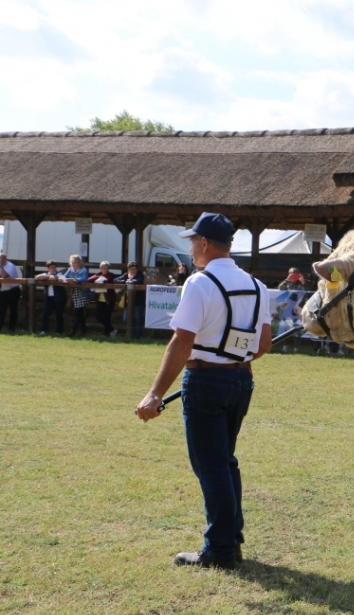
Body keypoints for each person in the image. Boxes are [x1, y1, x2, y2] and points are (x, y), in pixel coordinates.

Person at [136, 212, 271, 570]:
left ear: (206, 244)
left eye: (193, 241)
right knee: (226, 462)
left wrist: (154, 393)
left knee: (211, 466)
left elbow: (182, 341)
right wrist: (233, 355)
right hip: (241, 381)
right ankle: (232, 539)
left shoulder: (199, 283)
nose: (191, 247)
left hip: (205, 381)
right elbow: (264, 343)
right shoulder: (257, 286)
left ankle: (220, 549)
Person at [115, 261, 146, 339]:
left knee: (139, 318)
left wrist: (131, 282)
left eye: (135, 269)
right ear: (128, 269)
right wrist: (125, 281)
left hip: (138, 301)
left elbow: (138, 280)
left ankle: (137, 336)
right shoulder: (126, 275)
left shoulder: (140, 275)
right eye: (131, 269)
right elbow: (116, 280)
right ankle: (130, 334)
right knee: (126, 318)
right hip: (128, 301)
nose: (133, 270)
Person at [36, 260, 67, 335]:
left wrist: (50, 277)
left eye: (54, 267)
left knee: (59, 315)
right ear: (48, 268)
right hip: (49, 298)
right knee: (45, 314)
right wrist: (48, 276)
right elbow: (38, 277)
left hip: (59, 298)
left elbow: (56, 278)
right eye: (51, 267)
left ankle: (59, 331)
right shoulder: (46, 274)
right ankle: (44, 330)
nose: (53, 268)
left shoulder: (59, 273)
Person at [63, 254, 90, 337]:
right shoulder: (70, 270)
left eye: (76, 262)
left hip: (82, 293)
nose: (74, 264)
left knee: (78, 312)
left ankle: (73, 330)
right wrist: (66, 280)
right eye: (73, 262)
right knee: (80, 313)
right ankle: (83, 330)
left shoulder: (83, 270)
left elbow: (84, 279)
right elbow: (64, 277)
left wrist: (74, 280)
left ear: (79, 262)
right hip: (74, 293)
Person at [87, 260, 116, 337]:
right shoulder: (98, 274)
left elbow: (107, 280)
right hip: (100, 299)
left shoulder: (111, 275)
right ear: (100, 268)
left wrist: (100, 278)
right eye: (104, 268)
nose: (105, 270)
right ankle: (112, 330)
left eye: (107, 268)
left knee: (107, 317)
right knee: (98, 316)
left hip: (109, 299)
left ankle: (107, 334)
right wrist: (99, 277)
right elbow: (89, 279)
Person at [0, 252, 22, 332]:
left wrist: (1, 266)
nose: (1, 260)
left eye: (3, 258)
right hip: (3, 291)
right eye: (0, 258)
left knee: (13, 310)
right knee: (1, 310)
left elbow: (4, 276)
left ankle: (11, 329)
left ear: (6, 259)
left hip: (13, 291)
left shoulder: (10, 266)